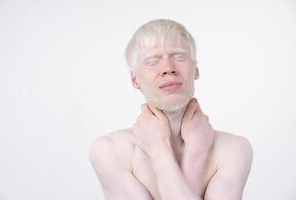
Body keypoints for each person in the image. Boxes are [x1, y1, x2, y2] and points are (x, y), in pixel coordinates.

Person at [89, 19, 253, 200]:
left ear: (196, 71)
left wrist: (195, 153)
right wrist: (160, 149)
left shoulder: (234, 149)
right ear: (135, 80)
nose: (168, 68)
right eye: (153, 61)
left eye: (178, 57)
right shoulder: (109, 151)